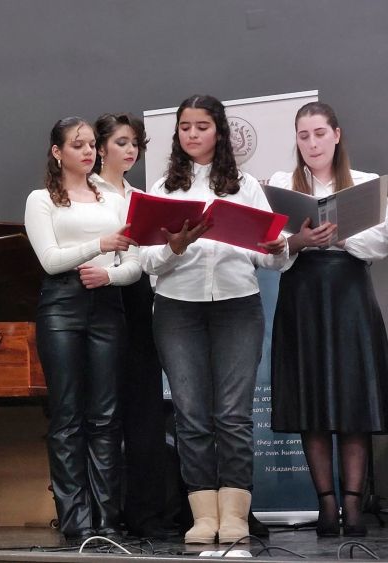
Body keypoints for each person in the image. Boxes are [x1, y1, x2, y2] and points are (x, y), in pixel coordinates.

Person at [140, 95, 288, 545]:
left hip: (236, 304)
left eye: (201, 126)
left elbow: (270, 258)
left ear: (219, 132)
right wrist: (174, 247)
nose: (192, 134)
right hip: (177, 307)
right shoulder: (164, 187)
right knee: (190, 415)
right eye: (184, 126)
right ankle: (203, 516)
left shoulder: (245, 185)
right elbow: (147, 260)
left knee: (233, 415)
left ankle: (235, 515)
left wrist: (278, 248)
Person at [269, 101, 386, 538]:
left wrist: (341, 236)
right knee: (311, 398)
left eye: (319, 133)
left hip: (349, 294)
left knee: (353, 399)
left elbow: (381, 241)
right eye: (304, 136)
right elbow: (272, 250)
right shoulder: (283, 184)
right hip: (303, 296)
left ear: (336, 135)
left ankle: (353, 507)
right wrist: (301, 240)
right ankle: (326, 505)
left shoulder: (366, 182)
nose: (312, 143)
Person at [25, 117, 140, 539]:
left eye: (92, 144)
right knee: (67, 414)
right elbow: (51, 260)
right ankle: (76, 519)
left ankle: (107, 519)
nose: (89, 151)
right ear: (57, 152)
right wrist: (99, 245)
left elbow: (135, 264)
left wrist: (110, 274)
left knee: (106, 416)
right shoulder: (41, 199)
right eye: (78, 145)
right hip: (61, 307)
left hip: (107, 305)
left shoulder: (113, 199)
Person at [90, 113, 170, 539]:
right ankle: (102, 513)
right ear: (101, 147)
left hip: (138, 299)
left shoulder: (142, 196)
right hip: (99, 298)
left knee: (145, 411)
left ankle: (147, 513)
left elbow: (149, 259)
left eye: (135, 143)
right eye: (121, 142)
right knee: (102, 411)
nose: (131, 150)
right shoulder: (86, 192)